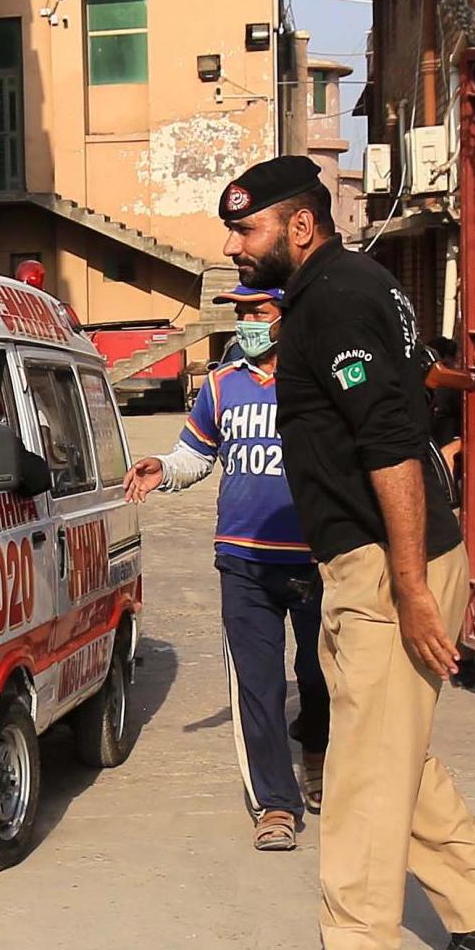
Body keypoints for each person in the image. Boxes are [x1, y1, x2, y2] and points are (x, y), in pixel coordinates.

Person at [218, 156, 475, 950]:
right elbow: (419, 389)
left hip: (384, 562)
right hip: (379, 558)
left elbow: (392, 442)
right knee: (391, 745)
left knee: (360, 769)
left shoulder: (337, 300)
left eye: (247, 232)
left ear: (300, 226)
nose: (235, 248)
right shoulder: (366, 287)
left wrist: (407, 586)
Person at [124, 284, 329, 853]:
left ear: (288, 316)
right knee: (257, 687)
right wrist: (161, 468)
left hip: (319, 561)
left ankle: (316, 749)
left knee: (320, 674)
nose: (247, 322)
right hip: (242, 560)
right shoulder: (221, 384)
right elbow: (197, 455)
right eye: (241, 312)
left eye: (259, 312)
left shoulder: (317, 380)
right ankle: (276, 805)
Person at [424, 336, 475, 691]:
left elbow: (472, 430)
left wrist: (456, 446)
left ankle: (463, 656)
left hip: (450, 494)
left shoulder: (454, 392)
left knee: (454, 581)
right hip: (414, 487)